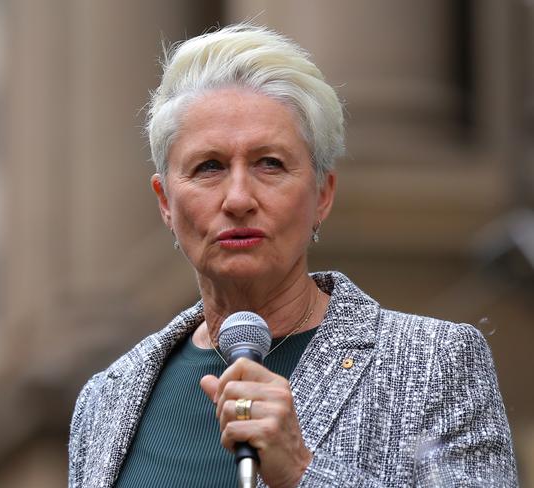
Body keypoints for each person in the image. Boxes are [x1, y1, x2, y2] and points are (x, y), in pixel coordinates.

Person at [68, 24, 517, 487]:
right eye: (209, 167)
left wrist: (301, 471)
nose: (238, 198)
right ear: (165, 202)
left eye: (270, 164)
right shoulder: (108, 399)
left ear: (322, 193)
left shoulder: (433, 365)